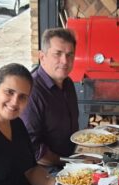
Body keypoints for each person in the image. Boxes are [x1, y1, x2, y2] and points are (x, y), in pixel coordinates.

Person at [20, 27, 79, 167]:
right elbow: (33, 148)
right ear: (42, 57)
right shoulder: (32, 91)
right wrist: (69, 163)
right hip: (45, 169)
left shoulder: (68, 83)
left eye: (70, 55)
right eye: (57, 54)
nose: (65, 61)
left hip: (71, 159)